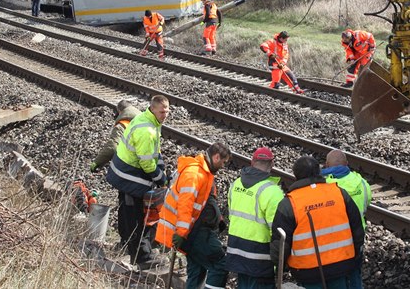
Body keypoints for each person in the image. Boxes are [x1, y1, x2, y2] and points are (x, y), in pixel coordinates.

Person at [271, 156, 364, 289]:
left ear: (296, 175)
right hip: (342, 266)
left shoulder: (290, 203)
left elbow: (280, 243)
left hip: (307, 271)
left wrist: (282, 266)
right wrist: (354, 256)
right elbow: (357, 229)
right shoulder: (339, 194)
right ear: (319, 171)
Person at [155, 142, 232, 289]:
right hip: (190, 232)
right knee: (220, 264)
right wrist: (181, 233)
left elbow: (208, 200)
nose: (223, 165)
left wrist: (219, 219)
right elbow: (185, 205)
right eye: (223, 161)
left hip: (193, 230)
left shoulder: (205, 173)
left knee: (197, 269)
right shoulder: (195, 174)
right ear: (216, 157)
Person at [106, 95, 170, 269]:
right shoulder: (147, 131)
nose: (165, 115)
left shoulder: (145, 118)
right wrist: (162, 179)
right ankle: (142, 257)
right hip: (129, 176)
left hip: (122, 172)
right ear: (153, 109)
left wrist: (161, 164)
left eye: (167, 111)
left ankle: (126, 244)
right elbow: (147, 164)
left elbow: (153, 152)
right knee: (136, 216)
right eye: (162, 111)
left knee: (126, 212)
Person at [226, 147, 285, 289]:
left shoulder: (236, 184)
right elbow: (277, 231)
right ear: (272, 164)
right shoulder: (272, 191)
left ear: (252, 162)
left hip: (236, 250)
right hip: (259, 256)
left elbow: (231, 214)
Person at [321, 149, 372, 229]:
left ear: (327, 165)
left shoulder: (324, 186)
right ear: (347, 163)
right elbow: (367, 202)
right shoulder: (362, 183)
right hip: (358, 232)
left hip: (335, 234)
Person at [90, 100, 141, 173]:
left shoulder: (122, 125)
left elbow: (112, 147)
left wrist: (97, 162)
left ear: (120, 111)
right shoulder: (146, 123)